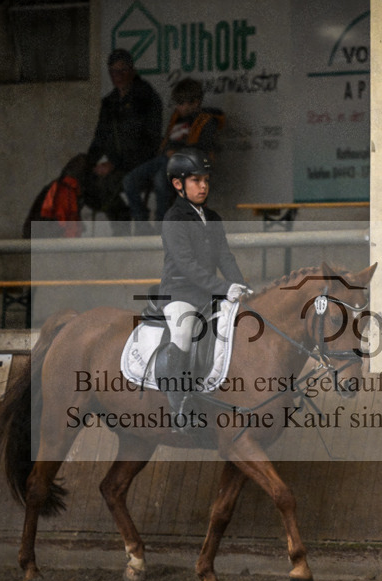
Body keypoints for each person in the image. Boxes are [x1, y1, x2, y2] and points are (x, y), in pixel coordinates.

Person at [158, 148, 249, 426]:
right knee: (183, 332)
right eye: (196, 180)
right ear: (178, 184)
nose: (203, 186)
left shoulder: (213, 218)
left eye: (206, 180)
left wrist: (242, 287)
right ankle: (179, 407)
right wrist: (223, 288)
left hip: (208, 293)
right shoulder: (173, 219)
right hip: (180, 293)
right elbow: (186, 265)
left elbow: (225, 258)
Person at [123, 78, 225, 227]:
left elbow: (204, 149)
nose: (178, 107)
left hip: (187, 165)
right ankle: (141, 222)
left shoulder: (206, 121)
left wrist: (178, 153)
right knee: (129, 181)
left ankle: (161, 224)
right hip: (165, 160)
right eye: (177, 103)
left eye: (182, 103)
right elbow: (166, 142)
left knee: (160, 179)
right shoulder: (177, 119)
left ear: (195, 103)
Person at [85, 49, 163, 229]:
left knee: (108, 184)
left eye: (123, 70)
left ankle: (129, 227)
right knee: (86, 181)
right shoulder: (109, 102)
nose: (118, 76)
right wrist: (88, 163)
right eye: (113, 71)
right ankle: (121, 221)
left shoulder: (146, 97)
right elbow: (100, 138)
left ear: (132, 71)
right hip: (117, 165)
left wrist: (114, 164)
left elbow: (148, 143)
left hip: (142, 164)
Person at [23, 154, 88, 239]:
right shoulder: (66, 188)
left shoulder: (66, 187)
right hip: (46, 239)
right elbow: (65, 224)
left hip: (44, 238)